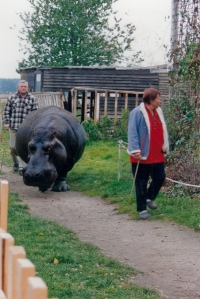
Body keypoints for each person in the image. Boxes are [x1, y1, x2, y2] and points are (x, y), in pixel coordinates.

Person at [127, 88, 169, 220]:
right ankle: (141, 209)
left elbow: (163, 130)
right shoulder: (137, 113)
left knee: (160, 177)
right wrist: (135, 150)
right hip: (142, 154)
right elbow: (132, 132)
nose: (160, 100)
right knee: (141, 182)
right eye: (158, 98)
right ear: (151, 100)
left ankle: (148, 197)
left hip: (157, 153)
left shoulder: (158, 112)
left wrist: (165, 145)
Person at [3, 80, 38, 175]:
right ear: (18, 87)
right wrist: (6, 123)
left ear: (27, 87)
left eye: (25, 86)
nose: (23, 88)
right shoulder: (12, 98)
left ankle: (22, 168)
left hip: (26, 129)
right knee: (13, 147)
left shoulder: (32, 99)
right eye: (21, 86)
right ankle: (16, 162)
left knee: (24, 148)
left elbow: (35, 114)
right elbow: (6, 112)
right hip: (14, 126)